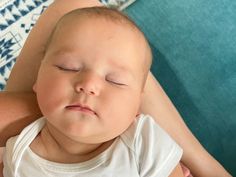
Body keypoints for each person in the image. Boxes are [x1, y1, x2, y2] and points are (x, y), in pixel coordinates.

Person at [0, 0, 231, 177]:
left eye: (115, 80)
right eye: (67, 67)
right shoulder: (16, 153)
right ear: (37, 80)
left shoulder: (144, 143)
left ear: (138, 105)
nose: (88, 85)